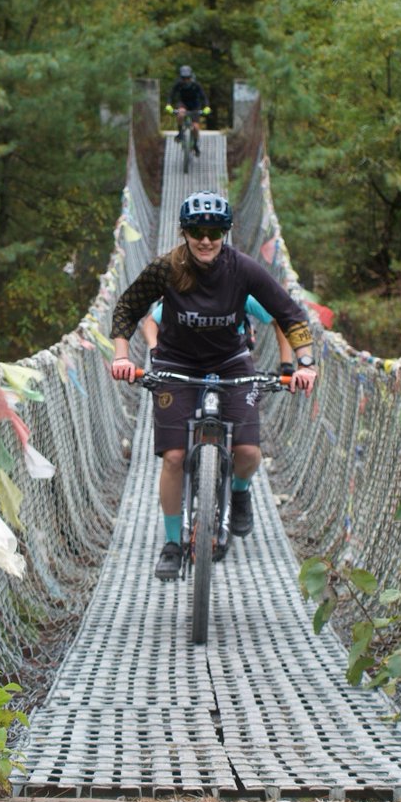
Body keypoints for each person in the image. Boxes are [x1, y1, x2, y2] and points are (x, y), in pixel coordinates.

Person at [109, 190, 317, 580]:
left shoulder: (243, 269)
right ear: (184, 231)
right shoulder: (166, 268)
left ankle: (239, 491)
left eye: (215, 231)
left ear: (226, 233)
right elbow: (127, 308)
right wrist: (122, 356)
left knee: (249, 453)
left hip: (231, 362)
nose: (206, 239)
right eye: (197, 230)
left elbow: (289, 312)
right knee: (173, 458)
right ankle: (173, 542)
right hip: (175, 362)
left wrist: (303, 362)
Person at [140, 294, 297, 375]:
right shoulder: (184, 295)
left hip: (232, 360)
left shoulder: (240, 294)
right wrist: (156, 351)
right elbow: (150, 323)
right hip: (187, 359)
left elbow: (279, 319)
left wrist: (287, 364)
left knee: (243, 421)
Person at [168, 65, 205, 156]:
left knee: (196, 127)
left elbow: (203, 97)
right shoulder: (178, 84)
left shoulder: (196, 85)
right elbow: (171, 94)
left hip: (195, 105)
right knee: (180, 114)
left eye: (187, 78)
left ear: (191, 77)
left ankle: (195, 145)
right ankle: (180, 133)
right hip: (183, 103)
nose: (186, 80)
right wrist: (169, 105)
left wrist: (206, 107)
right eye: (183, 78)